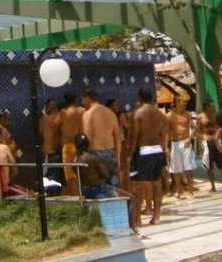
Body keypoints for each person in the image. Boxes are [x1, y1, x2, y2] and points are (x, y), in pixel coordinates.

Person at [126, 88, 168, 229]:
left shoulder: (138, 113)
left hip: (143, 151)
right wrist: (164, 148)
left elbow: (134, 136)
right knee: (157, 183)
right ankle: (156, 216)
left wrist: (129, 154)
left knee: (138, 185)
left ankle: (137, 219)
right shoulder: (160, 114)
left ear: (139, 98)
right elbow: (164, 134)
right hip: (157, 150)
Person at [81, 89, 123, 191]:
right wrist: (117, 158)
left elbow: (87, 138)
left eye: (83, 99)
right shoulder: (111, 113)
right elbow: (118, 138)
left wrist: (84, 156)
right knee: (114, 188)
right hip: (111, 153)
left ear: (87, 98)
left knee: (97, 188)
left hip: (95, 154)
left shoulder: (88, 114)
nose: (82, 102)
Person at [0, 123, 28, 197]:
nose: (4, 137)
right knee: (26, 193)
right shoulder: (4, 148)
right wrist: (8, 177)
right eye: (2, 135)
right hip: (1, 189)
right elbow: (15, 169)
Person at [166, 96, 195, 198]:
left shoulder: (187, 114)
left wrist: (190, 138)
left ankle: (191, 191)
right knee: (176, 169)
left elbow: (193, 128)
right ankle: (179, 191)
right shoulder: (169, 115)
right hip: (175, 143)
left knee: (188, 168)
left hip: (186, 142)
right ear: (177, 103)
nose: (185, 103)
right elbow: (166, 132)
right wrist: (166, 147)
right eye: (183, 102)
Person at [59, 92, 85, 197]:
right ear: (76, 100)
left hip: (68, 146)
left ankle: (76, 200)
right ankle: (82, 198)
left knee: (71, 177)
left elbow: (54, 125)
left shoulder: (64, 113)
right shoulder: (82, 111)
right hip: (81, 145)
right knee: (80, 175)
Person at [74, 133, 115, 199]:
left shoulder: (76, 161)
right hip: (98, 190)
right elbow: (106, 175)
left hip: (86, 191)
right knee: (129, 196)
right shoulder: (92, 158)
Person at [40, 98, 64, 191]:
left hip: (51, 153)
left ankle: (47, 193)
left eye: (45, 107)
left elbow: (39, 133)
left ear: (50, 107)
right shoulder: (61, 117)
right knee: (58, 179)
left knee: (48, 179)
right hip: (61, 152)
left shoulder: (45, 119)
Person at [197, 102, 222, 192]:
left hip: (216, 140)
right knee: (209, 165)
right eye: (212, 106)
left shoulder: (215, 116)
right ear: (207, 107)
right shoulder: (201, 117)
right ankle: (213, 186)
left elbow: (219, 127)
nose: (213, 107)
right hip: (207, 140)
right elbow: (198, 129)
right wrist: (202, 139)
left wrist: (217, 136)